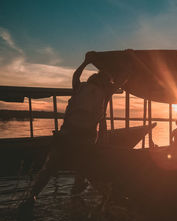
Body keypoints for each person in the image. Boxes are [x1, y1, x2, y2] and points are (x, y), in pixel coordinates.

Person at [21, 51, 120, 207]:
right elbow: (117, 84)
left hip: (72, 134)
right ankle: (92, 196)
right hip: (80, 136)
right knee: (84, 169)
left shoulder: (85, 88)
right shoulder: (94, 91)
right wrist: (127, 73)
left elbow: (76, 76)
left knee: (53, 167)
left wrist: (86, 62)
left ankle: (33, 197)